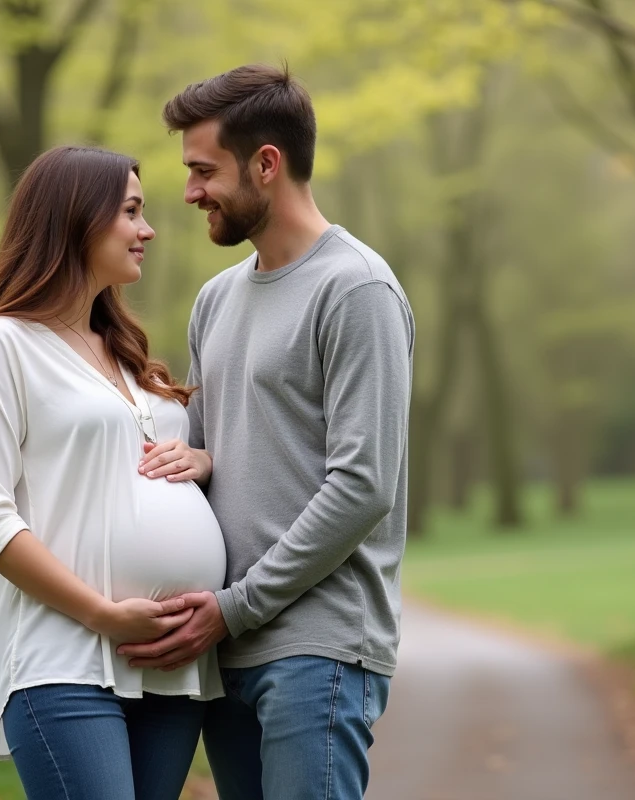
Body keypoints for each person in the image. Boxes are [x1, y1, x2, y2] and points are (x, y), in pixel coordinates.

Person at [122, 64, 416, 800]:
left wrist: (234, 606)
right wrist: (196, 455)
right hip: (228, 653)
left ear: (266, 163)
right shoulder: (215, 300)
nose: (188, 193)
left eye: (202, 171)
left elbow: (362, 486)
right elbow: (219, 454)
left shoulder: (357, 290)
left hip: (317, 650)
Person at [0, 145, 226, 800]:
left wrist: (204, 463)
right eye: (130, 211)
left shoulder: (126, 352)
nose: (148, 229)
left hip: (172, 665)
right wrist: (103, 614)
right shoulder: (4, 344)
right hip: (63, 658)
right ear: (75, 219)